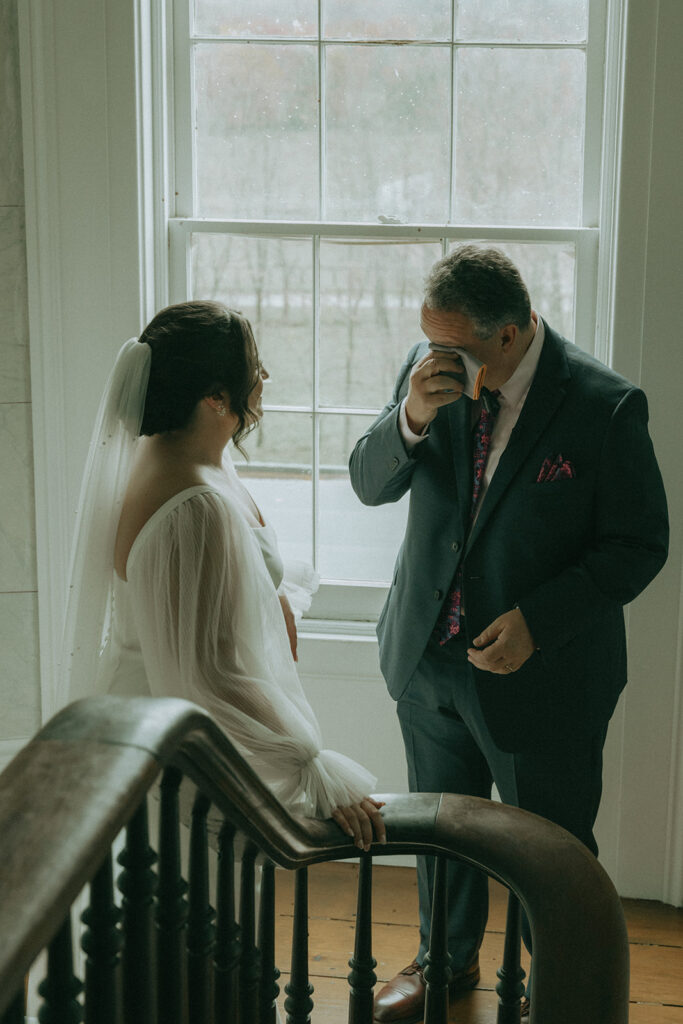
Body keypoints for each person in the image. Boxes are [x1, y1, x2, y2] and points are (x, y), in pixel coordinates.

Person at [349, 245, 668, 1021]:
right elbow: (367, 482)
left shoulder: (604, 405)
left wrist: (538, 622)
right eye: (429, 340)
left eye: (453, 345)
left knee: (547, 850)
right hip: (426, 661)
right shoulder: (428, 377)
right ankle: (441, 965)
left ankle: (559, 985)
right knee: (440, 835)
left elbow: (639, 545)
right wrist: (413, 417)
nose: (437, 358)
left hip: (544, 676)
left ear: (512, 330)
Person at [59, 300, 385, 850]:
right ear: (215, 396)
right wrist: (308, 755)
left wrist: (271, 594)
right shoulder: (191, 506)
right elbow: (209, 674)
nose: (264, 378)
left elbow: (214, 583)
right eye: (254, 368)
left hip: (166, 711)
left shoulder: (193, 453)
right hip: (166, 744)